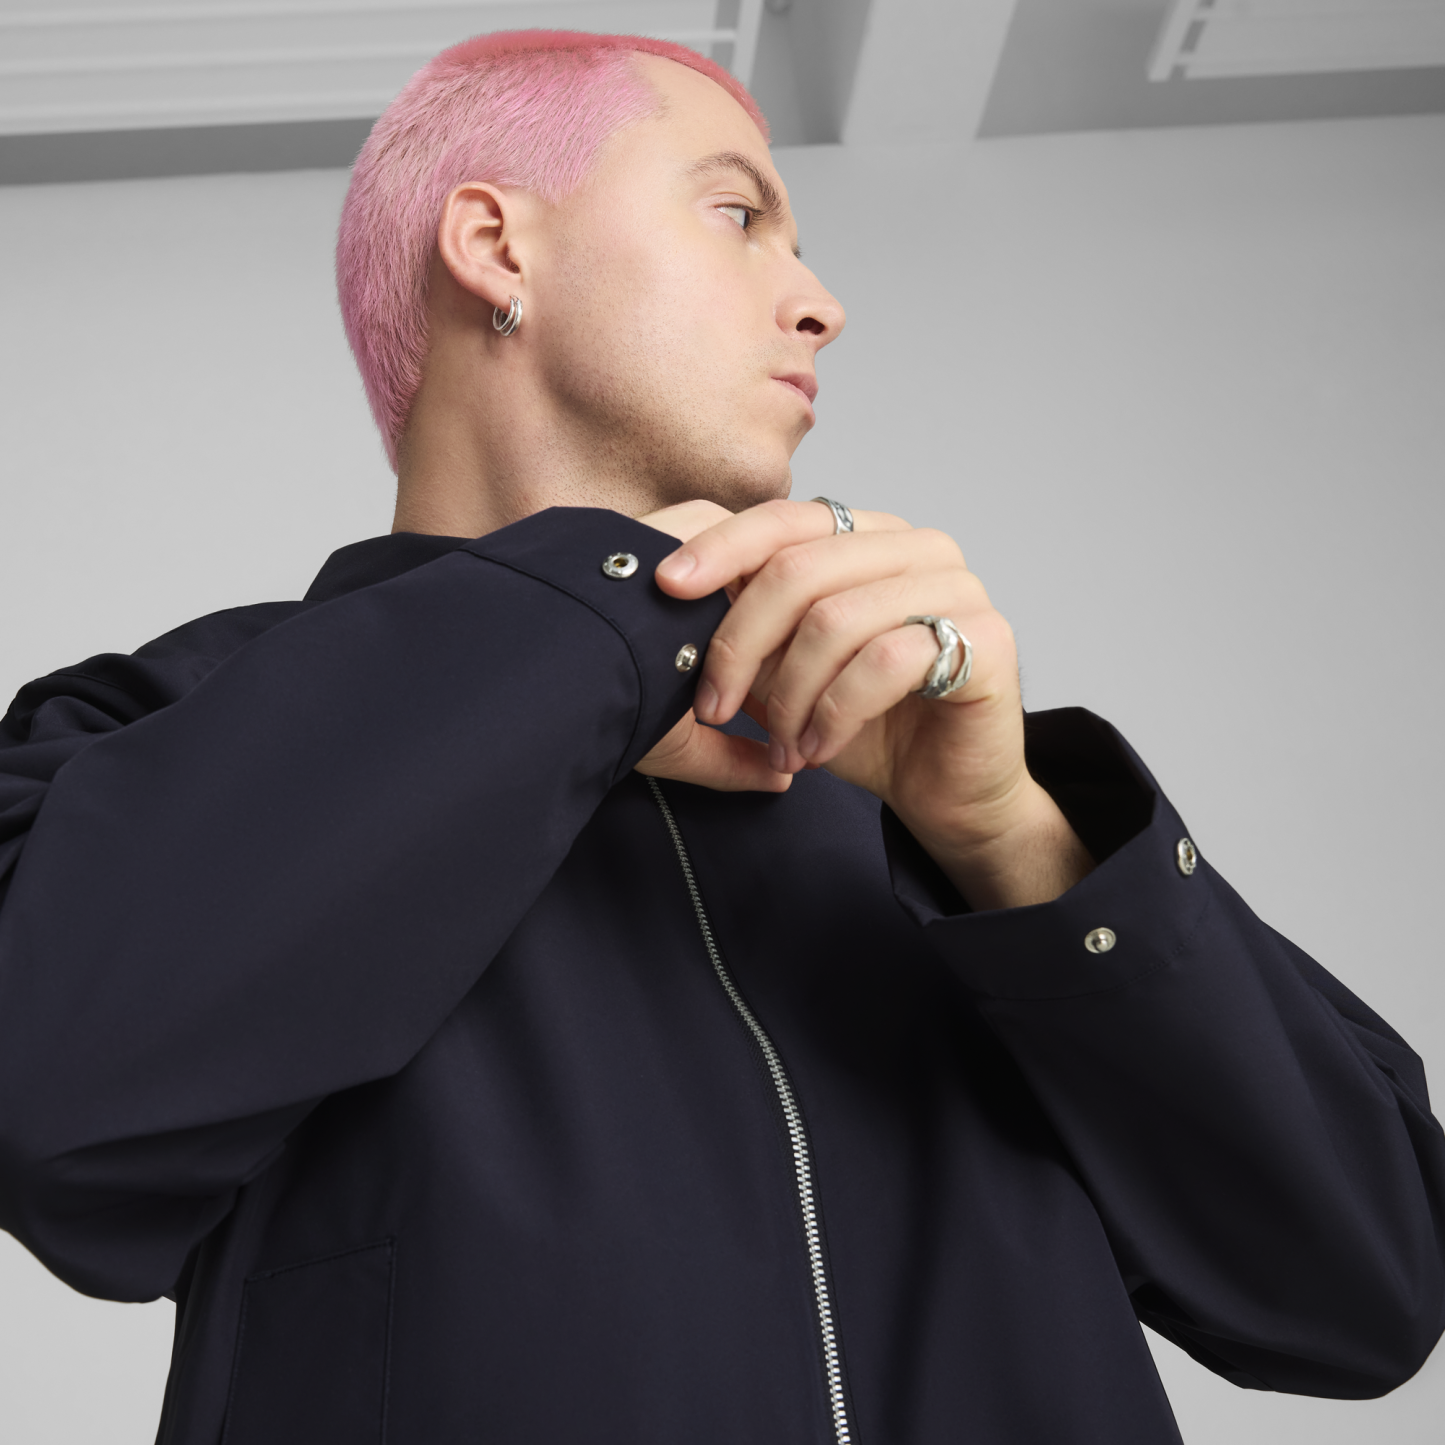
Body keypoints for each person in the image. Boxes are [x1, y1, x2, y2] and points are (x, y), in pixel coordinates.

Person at [0, 29, 1440, 1445]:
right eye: (740, 214)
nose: (822, 305)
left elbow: (1369, 1291)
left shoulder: (917, 784)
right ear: (496, 247)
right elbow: (51, 1097)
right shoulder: (163, 727)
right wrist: (617, 608)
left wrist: (1011, 836)